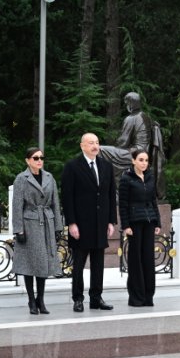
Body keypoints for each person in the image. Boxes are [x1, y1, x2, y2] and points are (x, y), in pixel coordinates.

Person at [61, 133, 117, 312]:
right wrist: (71, 223)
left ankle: (96, 298)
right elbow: (67, 197)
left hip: (100, 224)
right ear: (82, 146)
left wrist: (111, 221)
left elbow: (109, 195)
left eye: (97, 143)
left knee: (98, 264)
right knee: (78, 264)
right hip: (81, 224)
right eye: (91, 143)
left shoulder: (106, 166)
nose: (95, 146)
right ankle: (78, 298)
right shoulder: (72, 166)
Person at [12, 147, 63, 315]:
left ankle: (41, 299)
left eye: (41, 157)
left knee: (44, 263)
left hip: (47, 222)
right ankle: (31, 300)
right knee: (30, 263)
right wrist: (19, 229)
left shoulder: (49, 177)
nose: (39, 160)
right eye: (35, 158)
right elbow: (17, 205)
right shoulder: (21, 178)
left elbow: (55, 202)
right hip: (30, 224)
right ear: (27, 160)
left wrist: (57, 226)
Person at [118, 148, 161, 306]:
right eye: (141, 160)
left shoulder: (150, 177)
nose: (144, 163)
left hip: (149, 222)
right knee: (135, 260)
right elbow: (123, 205)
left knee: (148, 259)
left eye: (146, 160)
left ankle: (148, 296)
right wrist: (126, 225)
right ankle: (136, 297)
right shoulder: (126, 178)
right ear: (133, 161)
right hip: (134, 223)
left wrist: (157, 222)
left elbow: (153, 201)